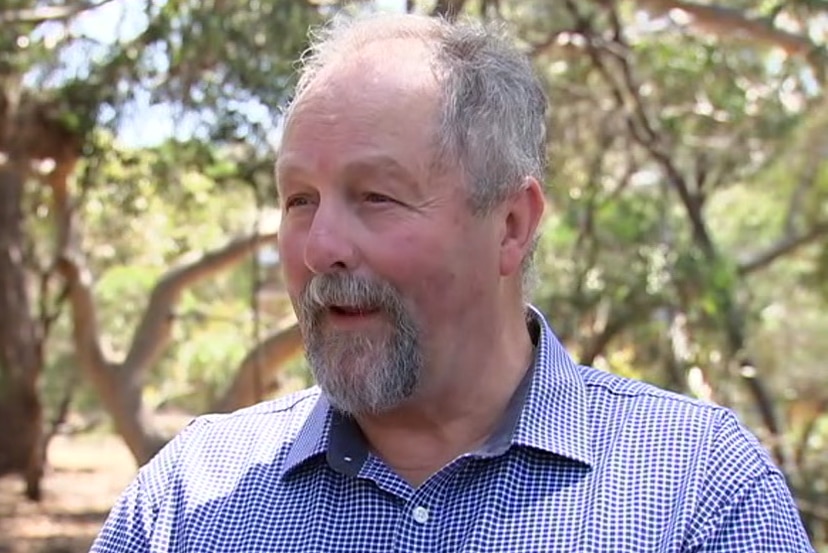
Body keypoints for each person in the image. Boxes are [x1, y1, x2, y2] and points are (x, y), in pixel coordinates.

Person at [90, 11, 814, 553]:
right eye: (298, 199)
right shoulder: (185, 501)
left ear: (509, 224)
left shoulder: (699, 491)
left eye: (376, 195)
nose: (321, 247)